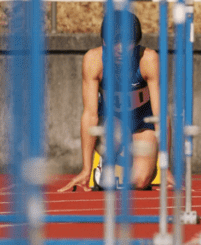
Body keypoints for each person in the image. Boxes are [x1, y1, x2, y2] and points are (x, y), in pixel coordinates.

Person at [58, 11, 161, 192]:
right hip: (111, 121)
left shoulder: (148, 59)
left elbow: (160, 114)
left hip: (142, 122)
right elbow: (90, 115)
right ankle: (103, 165)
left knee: (141, 182)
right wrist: (85, 169)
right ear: (104, 41)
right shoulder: (94, 60)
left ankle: (139, 165)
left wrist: (166, 168)